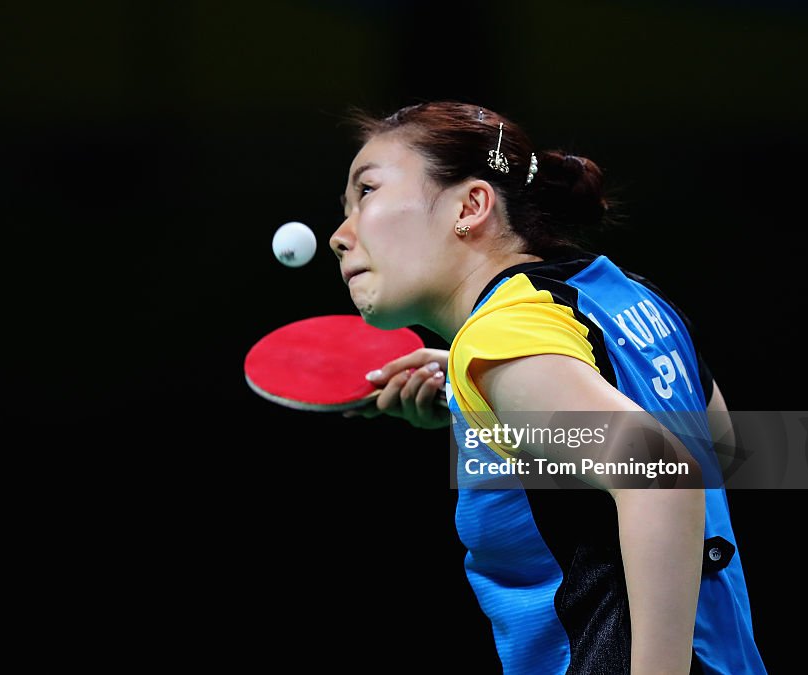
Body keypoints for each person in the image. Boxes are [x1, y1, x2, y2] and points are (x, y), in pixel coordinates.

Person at [328, 101, 765, 674]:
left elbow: (663, 474)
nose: (340, 235)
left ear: (471, 205)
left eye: (367, 192)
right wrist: (483, 412)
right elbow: (722, 454)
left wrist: (504, 373)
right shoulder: (619, 295)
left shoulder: (506, 338)